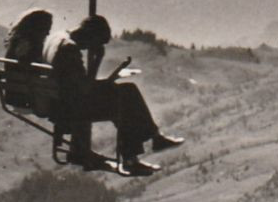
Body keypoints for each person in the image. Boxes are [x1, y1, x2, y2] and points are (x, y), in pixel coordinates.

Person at [46, 14, 182, 176]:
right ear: (90, 34)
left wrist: (106, 82)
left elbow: (75, 83)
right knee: (126, 98)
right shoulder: (69, 49)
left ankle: (153, 139)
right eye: (96, 43)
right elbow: (84, 88)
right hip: (71, 107)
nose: (90, 48)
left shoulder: (58, 38)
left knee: (125, 92)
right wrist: (97, 60)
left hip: (62, 100)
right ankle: (136, 155)